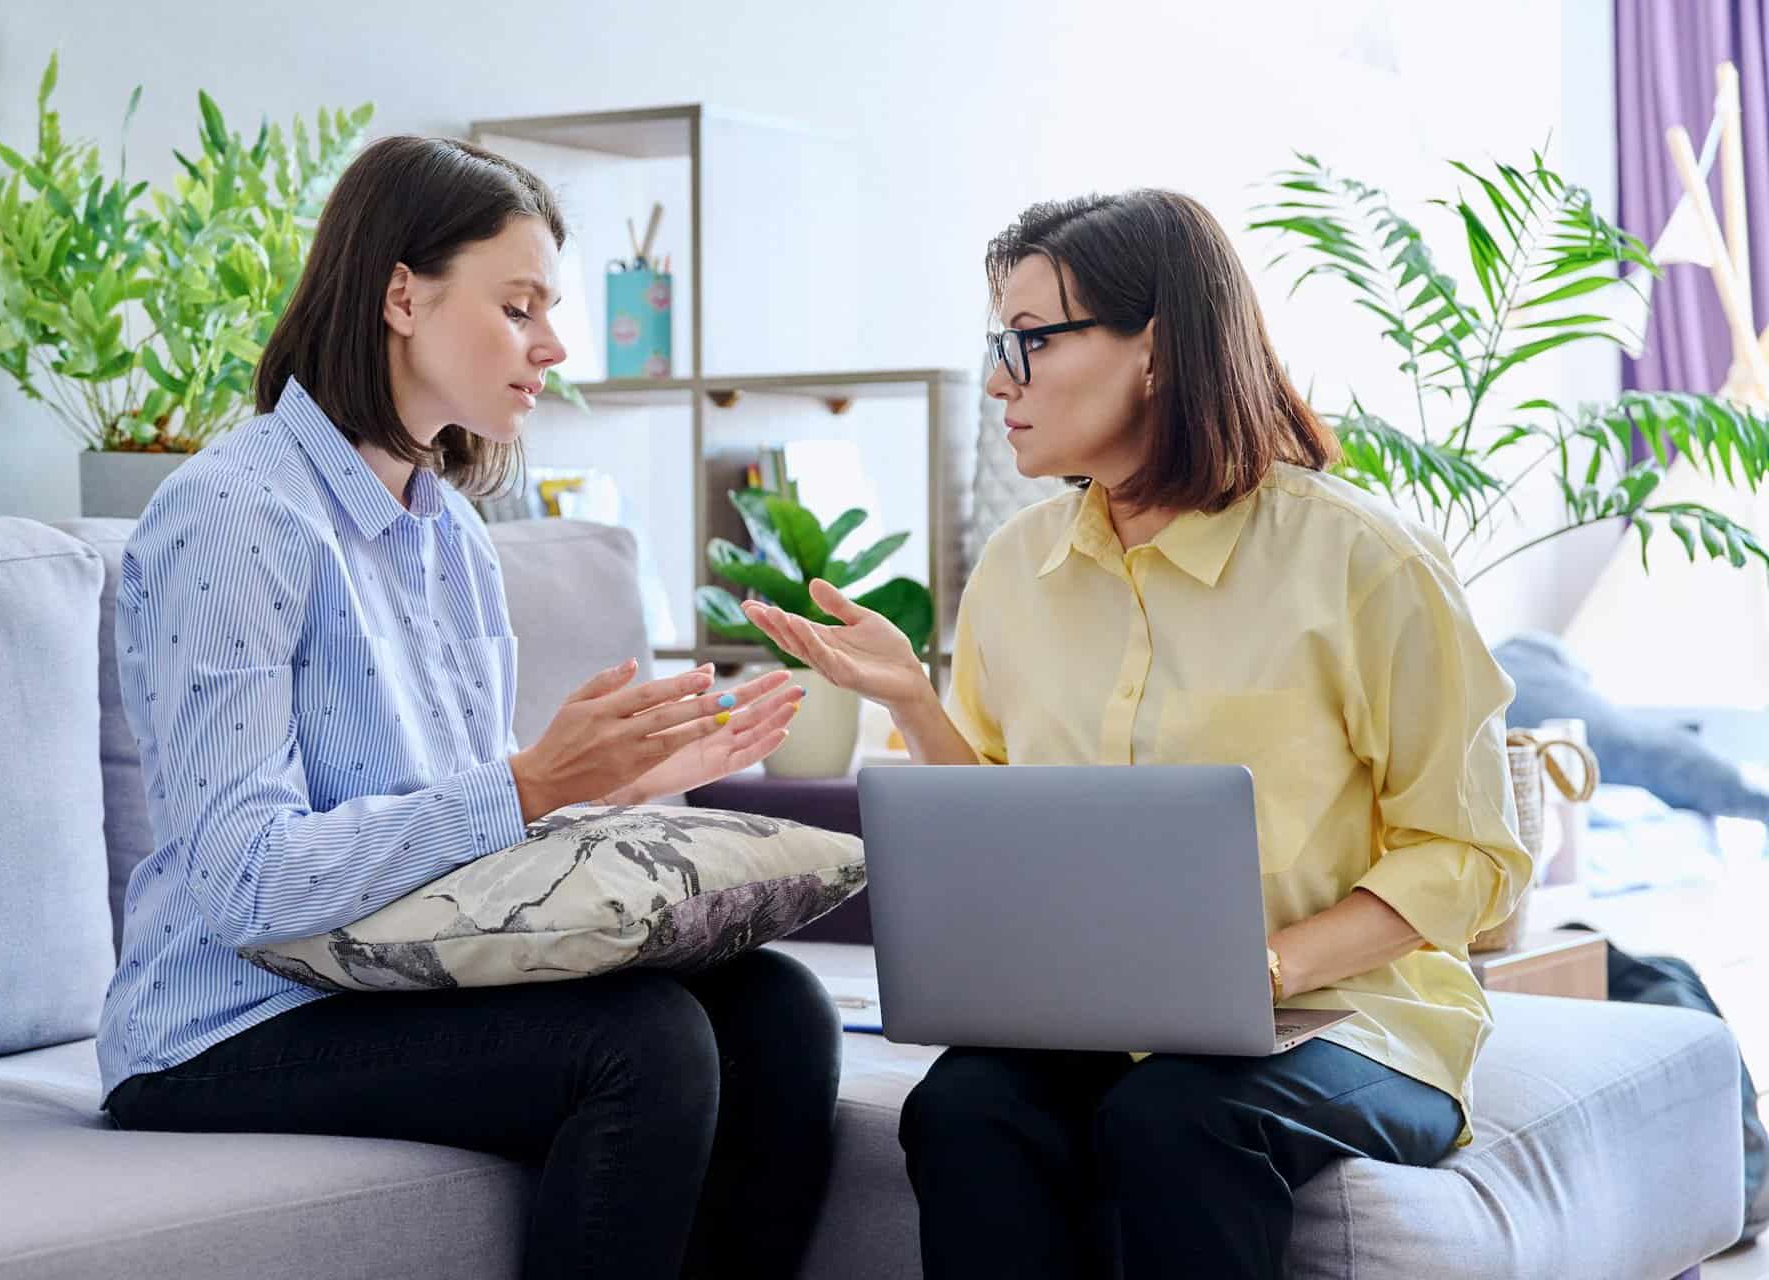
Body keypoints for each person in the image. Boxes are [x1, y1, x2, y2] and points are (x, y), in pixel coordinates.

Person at [740, 189, 1535, 1279]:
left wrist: (1264, 967)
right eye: (997, 343)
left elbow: (1470, 851)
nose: (998, 381)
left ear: (1154, 351)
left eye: (1029, 339)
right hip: (1092, 1021)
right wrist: (916, 703)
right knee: (966, 1108)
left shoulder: (1363, 560)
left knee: (1179, 1117)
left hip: (1350, 1018)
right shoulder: (1018, 568)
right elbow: (1001, 833)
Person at [97, 134, 839, 1280]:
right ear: (403, 296)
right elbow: (246, 882)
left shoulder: (454, 537)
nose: (554, 346)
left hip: (393, 974)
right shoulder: (236, 514)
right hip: (230, 1018)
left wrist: (612, 784)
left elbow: (464, 843)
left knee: (780, 1011)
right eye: (519, 306)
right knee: (643, 1043)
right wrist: (530, 783)